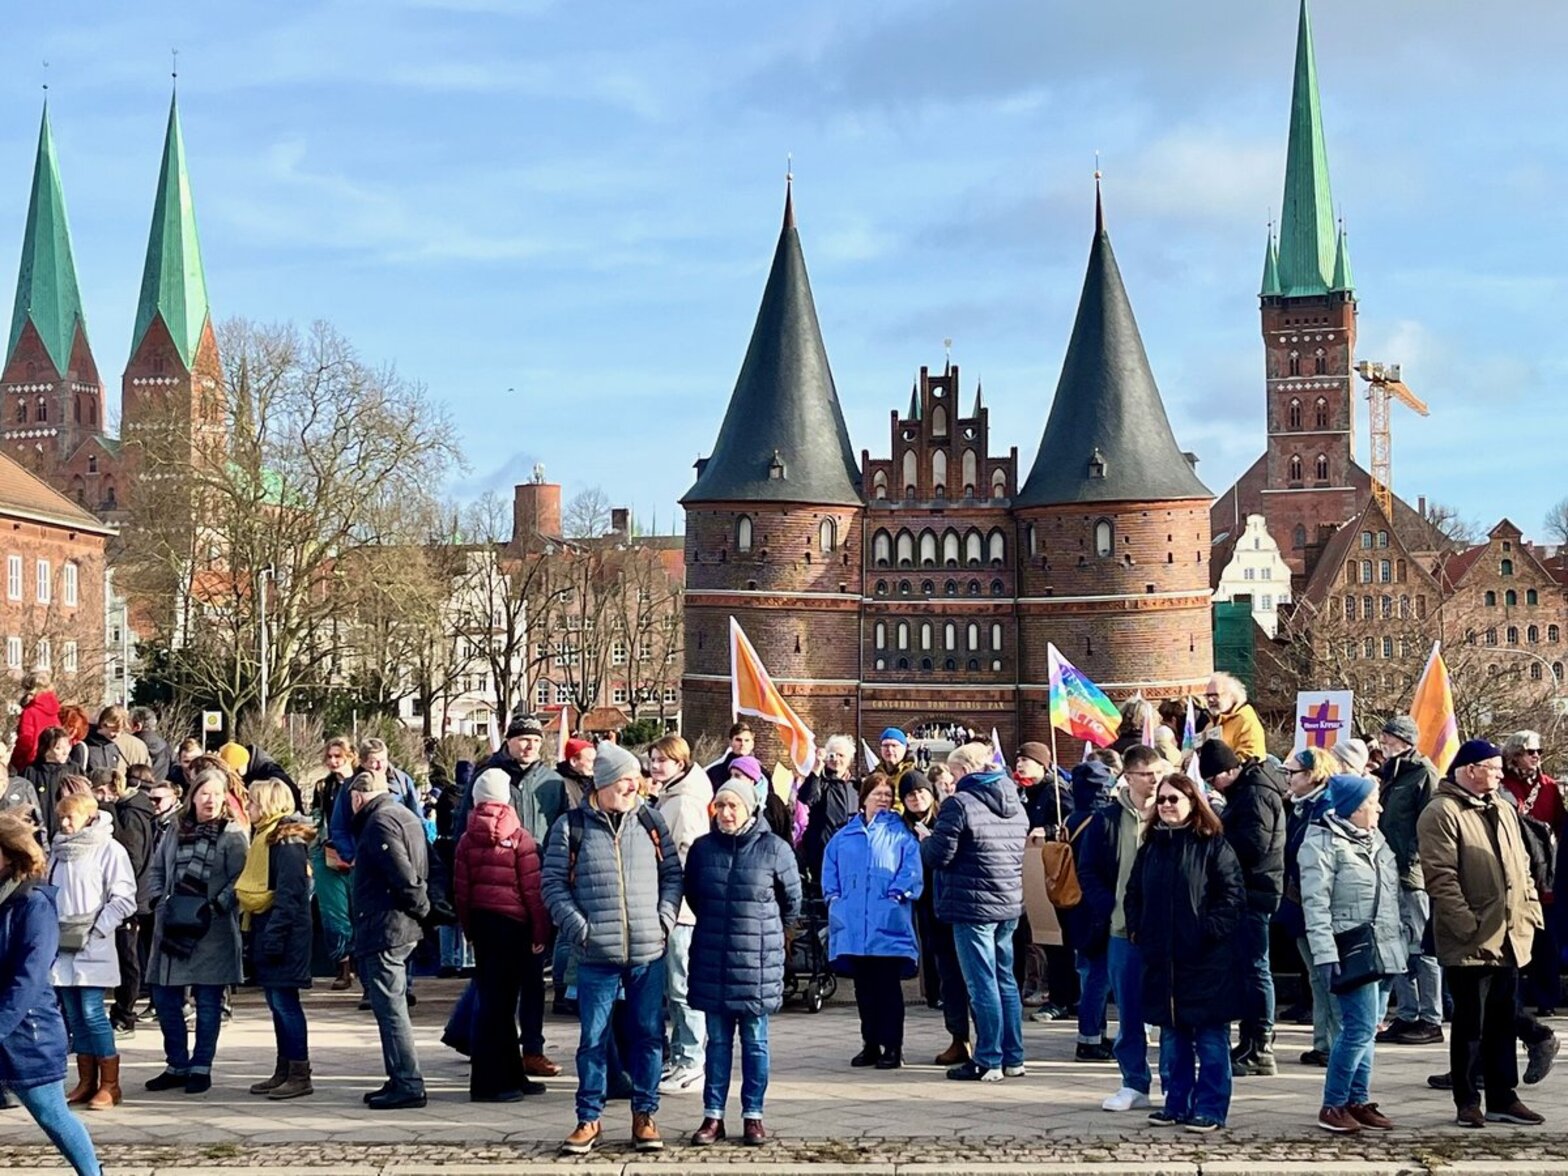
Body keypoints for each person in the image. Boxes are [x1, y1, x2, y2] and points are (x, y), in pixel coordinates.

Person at [542, 742, 682, 1156]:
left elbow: (672, 875)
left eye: (635, 782)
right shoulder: (571, 828)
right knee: (593, 1039)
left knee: (649, 1036)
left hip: (647, 950)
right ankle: (588, 1118)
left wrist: (664, 921)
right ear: (603, 784)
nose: (632, 788)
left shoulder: (651, 822)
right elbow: (552, 885)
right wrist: (580, 929)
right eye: (624, 782)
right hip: (595, 954)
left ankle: (645, 1115)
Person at [1419, 739, 1545, 1129]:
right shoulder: (1441, 812)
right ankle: (1467, 1100)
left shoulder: (1503, 808)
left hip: (1510, 933)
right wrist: (1467, 926)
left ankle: (1503, 1097)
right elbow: (1440, 878)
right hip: (1470, 940)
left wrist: (1530, 910)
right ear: (1470, 769)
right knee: (1470, 1022)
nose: (1499, 774)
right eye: (1492, 768)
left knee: (1503, 1020)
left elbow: (1520, 865)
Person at [685, 774, 802, 1147]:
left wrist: (774, 935)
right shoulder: (703, 849)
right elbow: (694, 895)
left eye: (733, 805)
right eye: (720, 805)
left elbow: (791, 900)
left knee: (755, 1043)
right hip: (713, 955)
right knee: (716, 1043)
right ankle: (713, 1116)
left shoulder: (775, 849)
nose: (725, 812)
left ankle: (754, 1115)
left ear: (750, 808)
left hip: (757, 961)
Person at [1126, 772, 1246, 1134]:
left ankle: (1210, 1107)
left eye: (1173, 799)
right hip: (1163, 960)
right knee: (1172, 1040)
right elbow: (1134, 894)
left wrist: (1206, 932)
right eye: (1161, 799)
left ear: (1193, 802)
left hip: (1206, 961)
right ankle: (1176, 1103)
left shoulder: (1214, 845)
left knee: (1210, 1040)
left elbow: (1232, 897)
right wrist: (1139, 931)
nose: (1165, 805)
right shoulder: (1152, 847)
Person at [1299, 774, 1406, 1133]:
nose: (1378, 807)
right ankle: (1333, 1105)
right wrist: (1326, 955)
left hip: (1384, 949)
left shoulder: (1377, 840)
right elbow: (1316, 906)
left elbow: (1392, 898)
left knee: (1368, 1029)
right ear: (1352, 809)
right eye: (1371, 802)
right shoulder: (1321, 843)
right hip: (1349, 949)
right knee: (1357, 1028)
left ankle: (1357, 1100)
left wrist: (1402, 944)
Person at [0, 813, 104, 1174]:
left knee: (52, 1114)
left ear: (10, 855)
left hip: (28, 1032)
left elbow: (28, 976)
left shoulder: (33, 904)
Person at [922, 742, 1029, 1082]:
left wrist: (926, 838)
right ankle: (1014, 1057)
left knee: (982, 984)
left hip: (972, 904)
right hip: (1008, 901)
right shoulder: (1015, 802)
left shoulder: (959, 803)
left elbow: (939, 855)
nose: (951, 781)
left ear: (966, 770)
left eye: (953, 773)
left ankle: (987, 1058)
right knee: (1006, 981)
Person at [144, 764, 248, 1094]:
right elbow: (158, 868)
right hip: (173, 925)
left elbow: (240, 879)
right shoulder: (175, 829)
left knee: (207, 1002)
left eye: (217, 795)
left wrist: (217, 904)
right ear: (193, 796)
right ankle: (177, 1063)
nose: (210, 800)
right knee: (164, 998)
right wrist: (161, 899)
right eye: (205, 793)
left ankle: (201, 1066)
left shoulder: (232, 834)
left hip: (211, 928)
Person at [453, 769, 549, 1102]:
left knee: (493, 1003)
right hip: (515, 925)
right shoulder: (520, 837)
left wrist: (468, 929)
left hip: (483, 923)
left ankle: (506, 1075)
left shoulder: (467, 839)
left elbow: (461, 891)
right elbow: (532, 890)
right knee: (504, 1006)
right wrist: (540, 931)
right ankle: (493, 1084)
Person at [822, 772, 922, 1071]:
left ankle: (893, 1046)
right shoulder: (844, 836)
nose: (883, 799)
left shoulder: (901, 834)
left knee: (888, 988)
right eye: (877, 794)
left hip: (887, 922)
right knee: (863, 990)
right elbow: (830, 870)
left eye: (887, 795)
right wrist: (833, 898)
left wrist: (897, 895)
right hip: (853, 924)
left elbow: (912, 869)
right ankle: (870, 1043)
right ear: (863, 797)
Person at [1198, 739, 1286, 1077]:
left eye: (1213, 779)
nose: (1211, 785)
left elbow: (1254, 845)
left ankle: (1261, 1043)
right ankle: (1252, 1039)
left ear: (1229, 771)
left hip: (1255, 892)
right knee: (1250, 968)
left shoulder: (1255, 794)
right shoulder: (1248, 790)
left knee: (1255, 968)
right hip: (1251, 891)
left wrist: (1218, 841)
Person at [1081, 746, 1162, 1110]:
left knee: (1170, 1012)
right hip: (1121, 930)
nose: (1155, 779)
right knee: (1128, 1011)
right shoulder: (1107, 819)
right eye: (1146, 773)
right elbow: (1089, 869)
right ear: (1128, 776)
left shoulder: (1173, 812)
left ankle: (1176, 1084)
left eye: (1158, 771)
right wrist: (1109, 905)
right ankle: (1134, 1081)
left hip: (1165, 930)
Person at [348, 766, 431, 1109]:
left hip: (387, 925)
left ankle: (408, 1081)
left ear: (356, 797)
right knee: (392, 1006)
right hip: (398, 923)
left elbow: (403, 874)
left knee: (391, 1009)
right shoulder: (404, 814)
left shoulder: (379, 821)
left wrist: (420, 906)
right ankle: (399, 1076)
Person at [48, 792, 135, 1111]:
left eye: (70, 816)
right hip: (63, 941)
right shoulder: (58, 852)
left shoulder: (109, 849)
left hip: (93, 941)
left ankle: (110, 1084)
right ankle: (86, 1080)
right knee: (73, 1014)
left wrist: (96, 929)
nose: (65, 823)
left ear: (89, 816)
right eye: (61, 817)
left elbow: (124, 898)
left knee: (91, 1011)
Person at [239, 780, 316, 1101]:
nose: (249, 809)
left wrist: (274, 936)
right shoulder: (267, 836)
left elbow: (290, 893)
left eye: (254, 803)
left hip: (284, 932)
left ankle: (299, 1071)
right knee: (276, 1003)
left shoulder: (286, 840)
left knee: (286, 1004)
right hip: (269, 927)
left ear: (268, 804)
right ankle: (284, 1068)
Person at [1370, 715, 1443, 1045]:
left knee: (1422, 947)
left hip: (1411, 875)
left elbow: (1430, 826)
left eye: (1388, 736)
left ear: (1403, 740)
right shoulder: (1390, 774)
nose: (1382, 742)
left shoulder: (1422, 774)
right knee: (1397, 946)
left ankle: (1430, 1017)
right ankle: (1407, 1013)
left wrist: (1415, 862)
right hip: (1388, 872)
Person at [648, 734, 712, 1095]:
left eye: (662, 760)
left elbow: (686, 857)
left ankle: (690, 1060)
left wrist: (673, 901)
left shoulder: (684, 802)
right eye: (653, 759)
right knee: (673, 987)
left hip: (680, 911)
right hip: (670, 906)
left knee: (681, 987)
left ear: (680, 764)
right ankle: (680, 1057)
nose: (655, 766)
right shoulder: (670, 796)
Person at [1277, 747, 1343, 1067]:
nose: (1287, 778)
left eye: (1292, 773)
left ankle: (1335, 1042)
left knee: (1328, 975)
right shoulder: (1302, 806)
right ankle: (1323, 1041)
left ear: (1313, 775)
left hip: (1319, 904)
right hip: (1299, 902)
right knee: (1316, 976)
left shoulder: (1327, 807)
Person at [1501, 730, 1561, 1017]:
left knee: (1546, 940)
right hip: (1512, 873)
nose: (1536, 756)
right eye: (1530, 751)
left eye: (1538, 751)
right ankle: (1515, 998)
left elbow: (1560, 827)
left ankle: (1547, 998)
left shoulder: (1549, 787)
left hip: (1544, 877)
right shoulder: (1502, 786)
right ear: (1514, 755)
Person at [1063, 760, 1117, 1063]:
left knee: (1088, 970)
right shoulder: (1102, 820)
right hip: (1098, 906)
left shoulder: (1072, 817)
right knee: (1100, 974)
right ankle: (1089, 1040)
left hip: (1076, 906)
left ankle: (1092, 1033)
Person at [310, 737, 357, 991]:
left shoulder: (361, 783)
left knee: (359, 909)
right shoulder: (322, 787)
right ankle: (343, 966)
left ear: (350, 756)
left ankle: (364, 968)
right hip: (329, 852)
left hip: (358, 853)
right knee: (334, 913)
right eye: (329, 757)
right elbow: (316, 819)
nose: (333, 762)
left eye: (338, 756)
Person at [798, 735, 859, 885]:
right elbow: (806, 798)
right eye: (832, 755)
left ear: (849, 759)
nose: (836, 759)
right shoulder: (820, 781)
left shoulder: (856, 785)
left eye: (841, 755)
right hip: (822, 849)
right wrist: (817, 768)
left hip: (850, 850)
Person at [24, 728, 76, 841]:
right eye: (58, 748)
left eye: (67, 746)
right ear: (46, 750)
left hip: (68, 833)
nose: (65, 752)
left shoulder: (74, 770)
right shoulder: (31, 772)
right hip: (39, 834)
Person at [1203, 673, 1266, 761]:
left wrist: (1224, 766)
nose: (1210, 699)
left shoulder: (1246, 720)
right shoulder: (1215, 720)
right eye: (1207, 695)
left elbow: (1251, 755)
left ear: (1232, 695)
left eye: (1215, 695)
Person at [11, 671, 58, 774]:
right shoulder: (54, 710)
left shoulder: (30, 711)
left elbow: (26, 741)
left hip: (31, 763)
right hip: (51, 760)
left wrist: (14, 761)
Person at [705, 722, 754, 789]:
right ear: (730, 742)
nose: (742, 744)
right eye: (738, 740)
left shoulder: (762, 773)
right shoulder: (714, 772)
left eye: (747, 740)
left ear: (752, 744)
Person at [128, 709, 170, 784]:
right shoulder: (166, 747)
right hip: (157, 790)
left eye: (128, 723)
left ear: (138, 726)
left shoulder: (131, 745)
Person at [876, 728, 922, 795]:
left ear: (905, 748)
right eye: (885, 745)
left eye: (894, 746)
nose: (889, 749)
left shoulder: (914, 776)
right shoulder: (875, 774)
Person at [556, 738, 597, 811]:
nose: (595, 765)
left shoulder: (594, 782)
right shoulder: (559, 784)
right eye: (590, 761)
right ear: (574, 761)